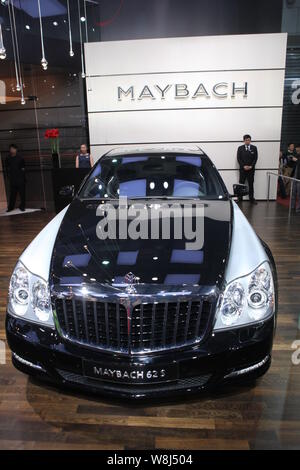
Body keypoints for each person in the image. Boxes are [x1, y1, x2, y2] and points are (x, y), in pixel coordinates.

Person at [237, 134, 258, 204]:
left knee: (251, 184)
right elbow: (239, 158)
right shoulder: (240, 148)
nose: (247, 141)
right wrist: (243, 166)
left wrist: (251, 166)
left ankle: (251, 198)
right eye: (246, 140)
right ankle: (240, 199)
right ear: (244, 140)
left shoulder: (254, 148)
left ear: (250, 140)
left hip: (251, 170)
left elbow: (255, 158)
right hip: (243, 169)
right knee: (241, 184)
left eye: (249, 140)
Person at [5, 144, 26, 212]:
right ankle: (10, 207)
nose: (12, 150)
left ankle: (22, 206)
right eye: (11, 149)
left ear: (16, 149)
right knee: (12, 194)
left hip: (20, 179)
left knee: (22, 194)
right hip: (12, 179)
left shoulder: (20, 158)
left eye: (13, 149)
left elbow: (23, 168)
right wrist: (8, 177)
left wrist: (22, 178)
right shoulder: (8, 158)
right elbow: (7, 168)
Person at [291, 144, 300, 213]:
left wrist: (297, 160)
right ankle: (292, 206)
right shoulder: (296, 155)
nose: (296, 150)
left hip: (299, 178)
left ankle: (298, 208)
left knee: (299, 194)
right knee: (293, 193)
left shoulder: (297, 157)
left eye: (298, 149)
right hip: (295, 176)